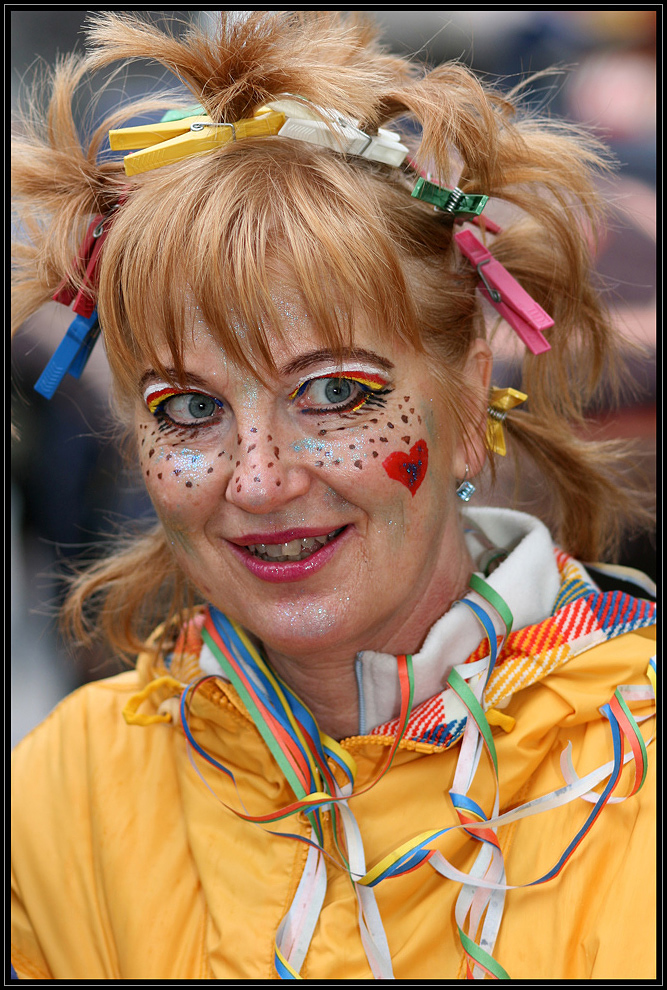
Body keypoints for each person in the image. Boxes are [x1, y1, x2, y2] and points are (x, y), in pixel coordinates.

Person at [11, 11, 656, 981]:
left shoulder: (637, 772)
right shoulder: (66, 799)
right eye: (189, 409)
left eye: (335, 393)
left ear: (471, 387)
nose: (261, 479)